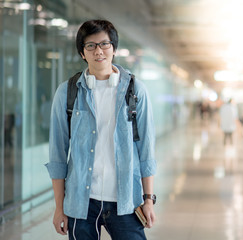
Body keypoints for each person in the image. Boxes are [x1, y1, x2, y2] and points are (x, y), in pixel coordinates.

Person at [45, 20, 157, 240]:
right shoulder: (67, 92)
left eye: (104, 44)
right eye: (90, 46)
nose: (98, 51)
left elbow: (147, 151)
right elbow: (58, 154)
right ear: (82, 52)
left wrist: (149, 200)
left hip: (126, 202)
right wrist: (59, 207)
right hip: (81, 203)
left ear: (113, 49)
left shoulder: (135, 91)